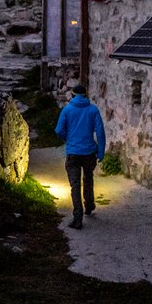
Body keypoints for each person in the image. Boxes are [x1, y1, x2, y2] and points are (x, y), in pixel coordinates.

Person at [55, 83, 106, 230]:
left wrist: (68, 139)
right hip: (89, 152)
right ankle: (89, 205)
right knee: (88, 178)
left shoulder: (67, 110)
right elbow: (100, 132)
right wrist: (101, 152)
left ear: (72, 94)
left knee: (75, 185)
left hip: (73, 153)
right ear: (85, 94)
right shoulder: (93, 110)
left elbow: (59, 130)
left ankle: (78, 218)